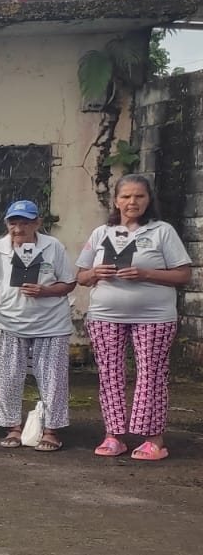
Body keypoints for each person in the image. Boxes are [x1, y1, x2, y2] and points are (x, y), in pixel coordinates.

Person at [76, 172, 193, 461]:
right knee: (110, 374)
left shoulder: (162, 231)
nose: (132, 202)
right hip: (105, 315)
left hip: (154, 316)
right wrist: (95, 273)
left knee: (151, 374)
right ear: (116, 201)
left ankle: (153, 440)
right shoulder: (101, 233)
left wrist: (146, 274)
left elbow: (183, 274)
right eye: (126, 196)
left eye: (139, 196)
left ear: (149, 200)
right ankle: (114, 436)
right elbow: (80, 276)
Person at [0, 200, 75, 452]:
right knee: (8, 377)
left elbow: (69, 283)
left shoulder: (53, 246)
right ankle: (13, 428)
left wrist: (45, 291)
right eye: (13, 223)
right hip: (8, 322)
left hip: (50, 324)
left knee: (53, 379)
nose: (18, 229)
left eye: (25, 223)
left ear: (37, 223)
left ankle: (51, 431)